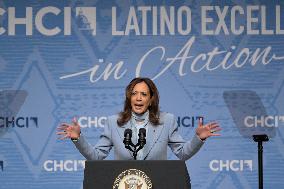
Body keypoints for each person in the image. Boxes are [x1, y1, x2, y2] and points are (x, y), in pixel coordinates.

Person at [57, 77, 221, 160]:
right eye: (134, 94)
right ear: (129, 98)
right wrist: (78, 138)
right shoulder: (113, 122)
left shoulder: (167, 120)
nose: (138, 98)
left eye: (144, 94)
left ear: (151, 100)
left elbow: (182, 153)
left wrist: (198, 138)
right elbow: (96, 155)